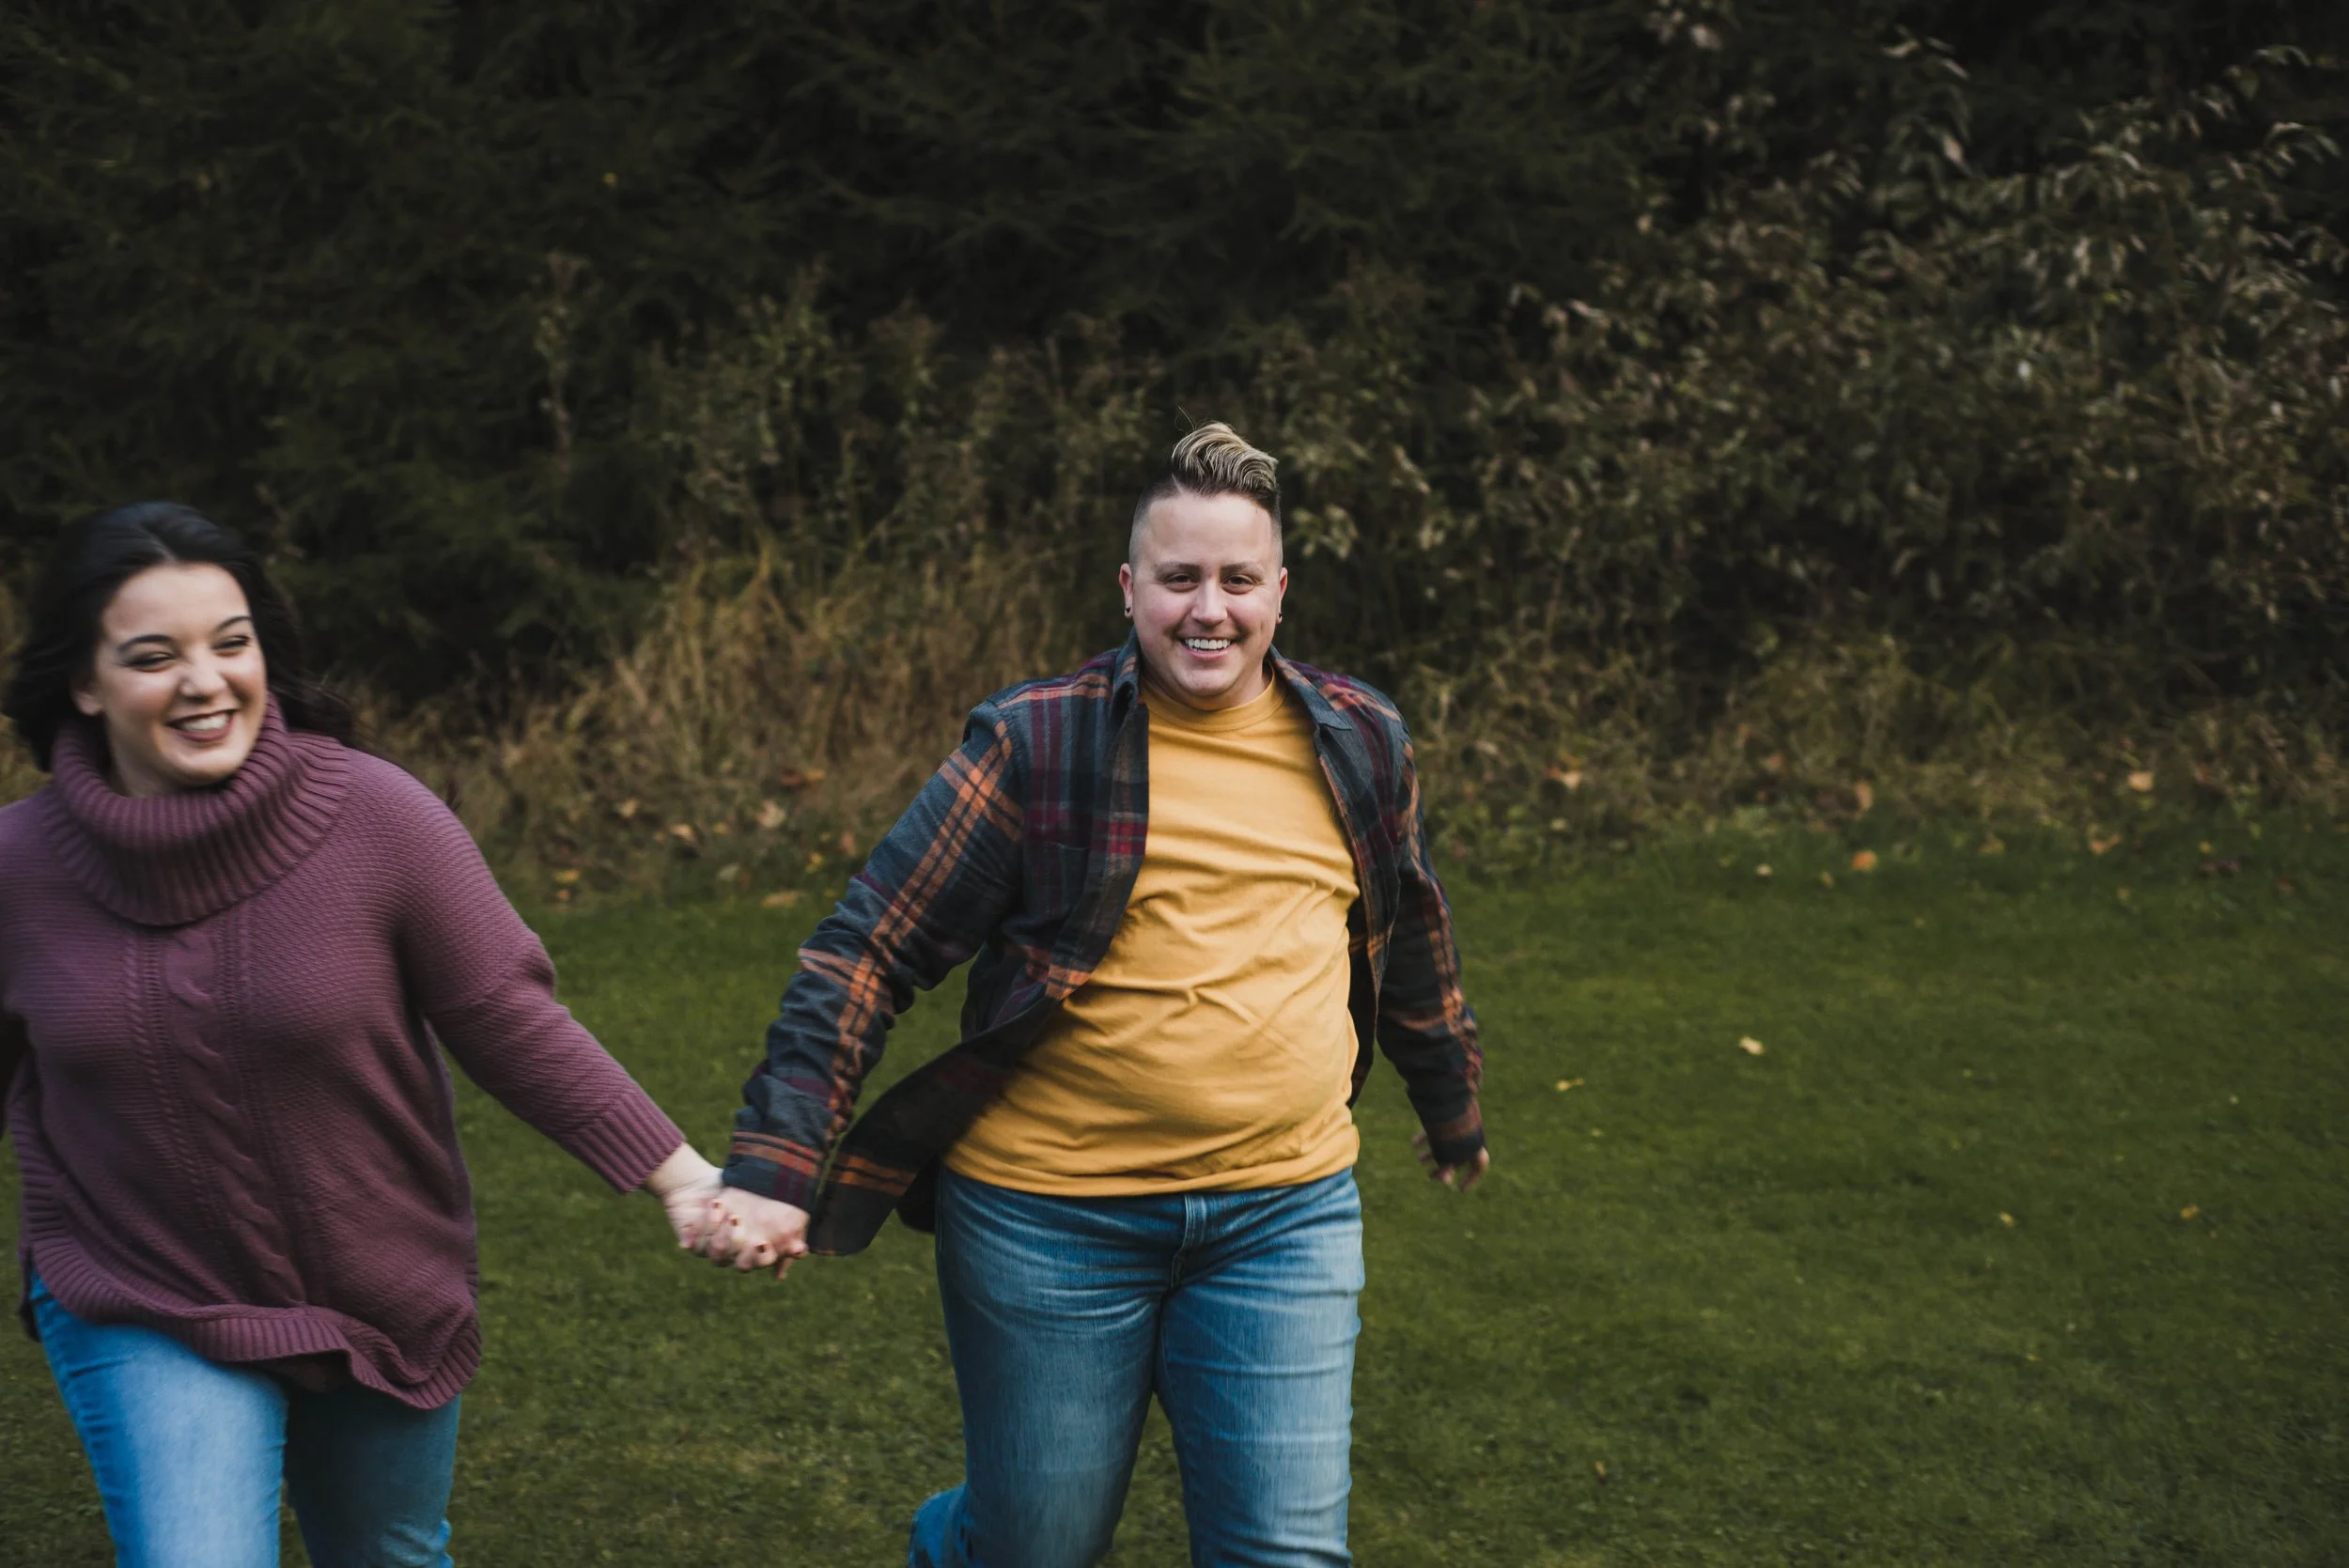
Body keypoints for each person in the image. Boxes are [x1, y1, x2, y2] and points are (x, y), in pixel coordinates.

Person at [698, 424, 1488, 1566]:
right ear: (1130, 588)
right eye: (1178, 578)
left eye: (1235, 579)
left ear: (1280, 592)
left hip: (1284, 1213)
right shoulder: (1038, 743)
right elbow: (867, 947)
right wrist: (776, 1166)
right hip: (1050, 1222)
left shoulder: (1361, 739)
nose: (1206, 609)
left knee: (1286, 1554)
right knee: (1038, 1547)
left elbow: (1406, 928)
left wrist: (1448, 1098)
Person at [0, 503, 725, 1568]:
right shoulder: (18, 868)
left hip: (378, 1286)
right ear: (84, 682)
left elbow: (506, 1016)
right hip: (140, 1283)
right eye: (154, 657)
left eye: (231, 643)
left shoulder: (378, 818)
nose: (205, 681)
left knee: (385, 1554)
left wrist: (681, 1176)